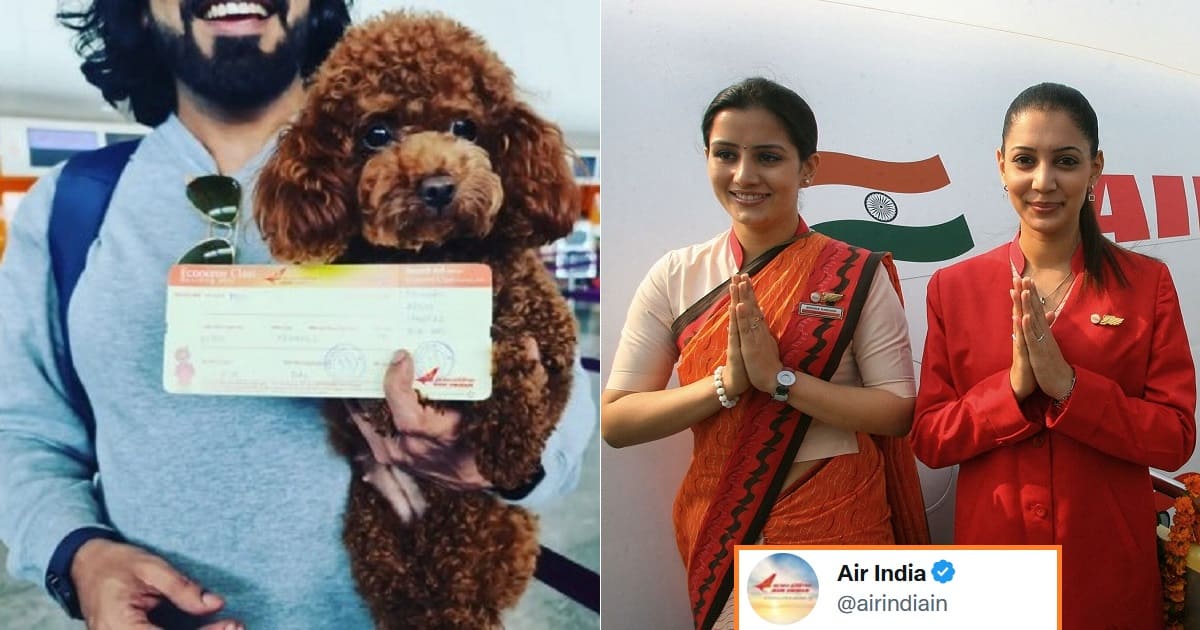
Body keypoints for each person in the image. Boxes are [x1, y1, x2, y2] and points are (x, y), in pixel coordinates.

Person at [0, 2, 595, 628]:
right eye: (378, 133)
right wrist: (80, 555)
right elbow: (22, 432)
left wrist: (507, 462)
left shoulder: (428, 208)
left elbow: (550, 387)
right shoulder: (71, 208)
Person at [601, 77, 928, 630]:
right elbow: (617, 418)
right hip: (729, 527)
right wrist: (726, 384)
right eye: (725, 154)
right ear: (707, 158)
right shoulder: (677, 277)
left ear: (808, 168)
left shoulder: (854, 274)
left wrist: (781, 380)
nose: (744, 175)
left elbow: (897, 411)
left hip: (838, 520)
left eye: (768, 157)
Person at [911, 82, 1196, 629]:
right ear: (1000, 166)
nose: (1043, 182)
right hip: (996, 565)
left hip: (1105, 566)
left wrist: (1071, 388)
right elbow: (930, 437)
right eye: (1025, 160)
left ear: (1095, 168)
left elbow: (1175, 437)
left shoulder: (1144, 284)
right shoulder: (955, 287)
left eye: (1065, 161)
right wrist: (1012, 390)